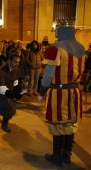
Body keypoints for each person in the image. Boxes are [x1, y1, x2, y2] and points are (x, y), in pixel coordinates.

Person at [37, 19, 85, 166]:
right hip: (75, 92)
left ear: (62, 31)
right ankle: (66, 155)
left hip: (58, 93)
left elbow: (48, 74)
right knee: (70, 123)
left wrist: (42, 92)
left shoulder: (56, 48)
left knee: (58, 124)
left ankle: (57, 157)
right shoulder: (81, 48)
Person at [0, 53, 22, 133]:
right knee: (11, 109)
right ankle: (4, 124)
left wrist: (18, 93)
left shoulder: (16, 70)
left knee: (8, 106)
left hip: (7, 92)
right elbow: (1, 89)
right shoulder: (0, 71)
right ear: (9, 61)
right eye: (15, 62)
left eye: (18, 62)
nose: (17, 64)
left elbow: (15, 82)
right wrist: (13, 95)